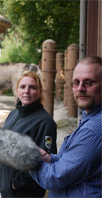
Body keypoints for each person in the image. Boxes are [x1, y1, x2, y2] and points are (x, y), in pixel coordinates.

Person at [31, 56, 102, 197]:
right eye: (76, 83)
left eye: (89, 82)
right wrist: (48, 157)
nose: (80, 88)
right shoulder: (90, 117)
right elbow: (75, 162)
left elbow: (54, 177)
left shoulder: (93, 130)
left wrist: (24, 159)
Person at [0, 71, 57, 197]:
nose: (26, 91)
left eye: (32, 87)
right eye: (23, 87)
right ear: (17, 90)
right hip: (6, 187)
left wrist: (17, 183)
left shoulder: (45, 122)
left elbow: (45, 159)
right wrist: (0, 175)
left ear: (39, 91)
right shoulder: (13, 114)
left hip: (24, 191)